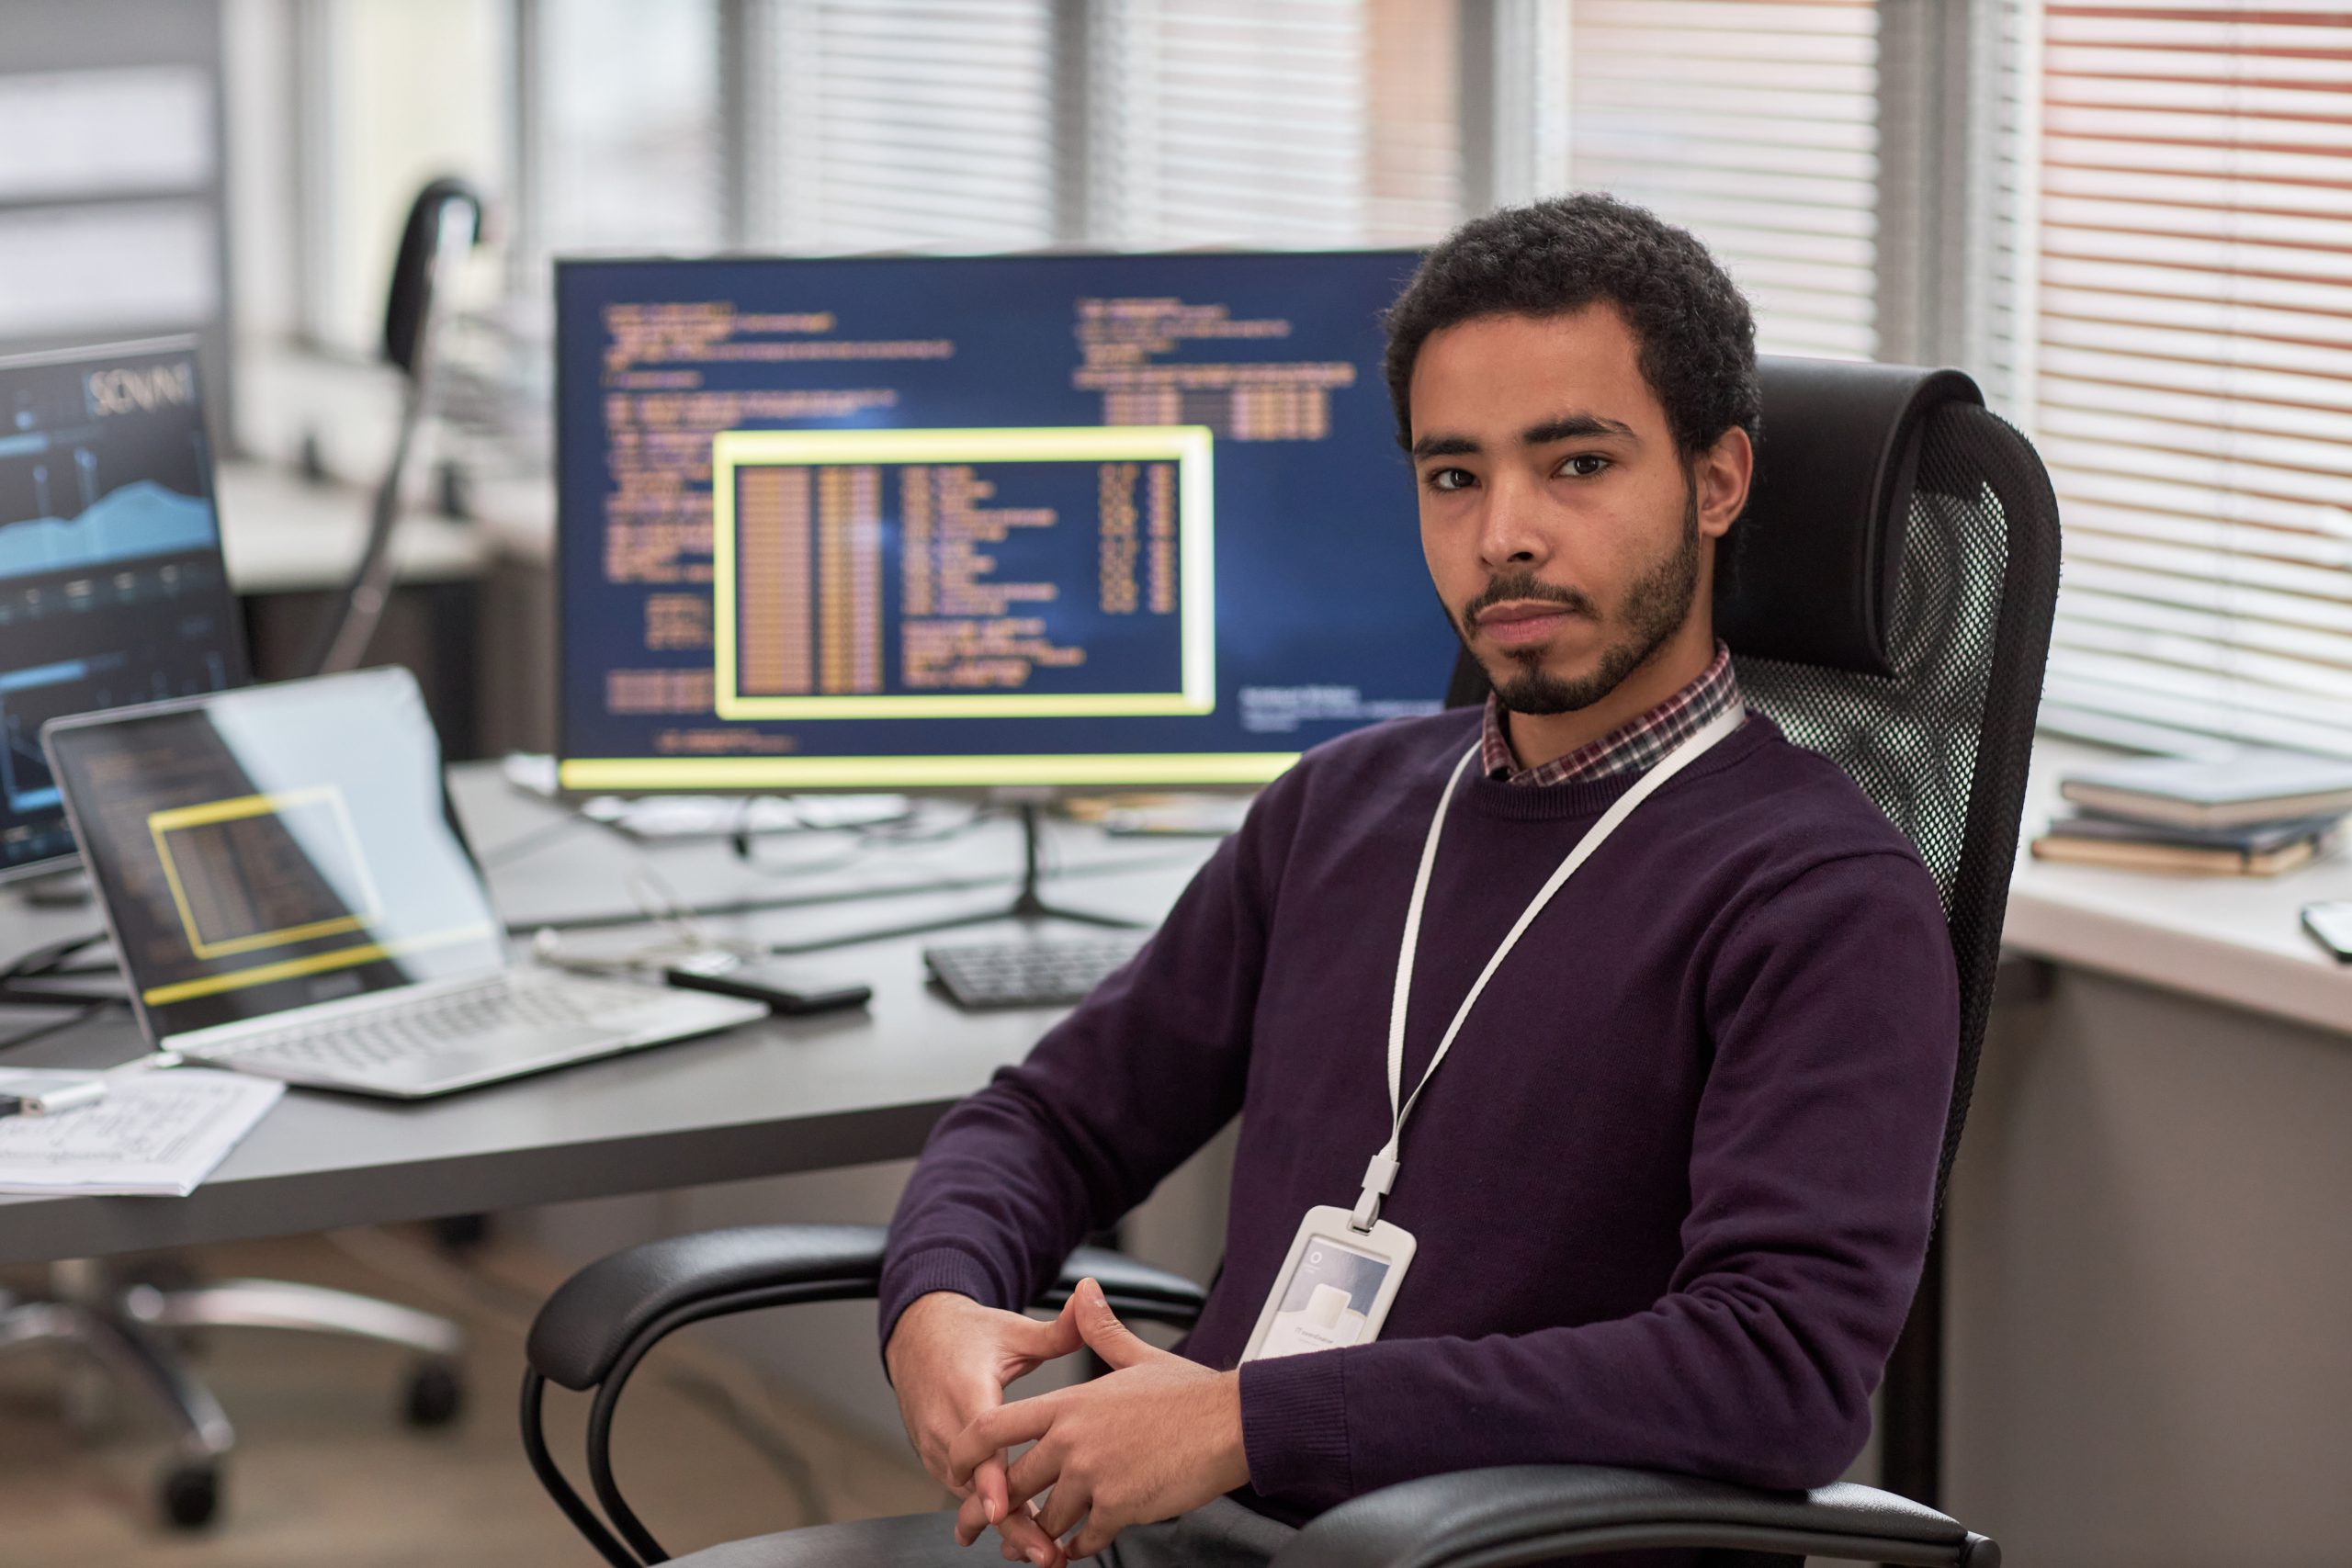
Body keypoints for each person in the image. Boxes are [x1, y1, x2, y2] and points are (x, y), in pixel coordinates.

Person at [774, 193, 1960, 1568]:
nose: (1504, 532)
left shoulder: (1820, 895)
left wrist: (1251, 1421)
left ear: (1715, 482)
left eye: (1575, 464)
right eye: (1454, 476)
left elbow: (1778, 1373)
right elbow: (1048, 1120)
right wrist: (936, 1300)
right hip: (1181, 1538)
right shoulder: (1341, 808)